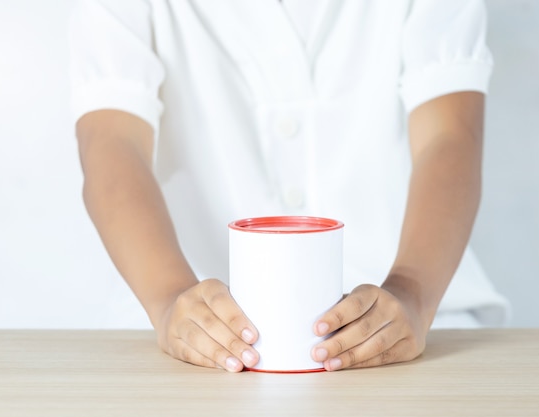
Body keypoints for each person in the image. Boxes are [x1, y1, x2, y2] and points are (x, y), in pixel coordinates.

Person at [69, 0, 509, 372]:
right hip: (189, 327)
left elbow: (449, 138)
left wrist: (413, 292)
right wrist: (168, 300)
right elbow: (111, 143)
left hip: (419, 320)